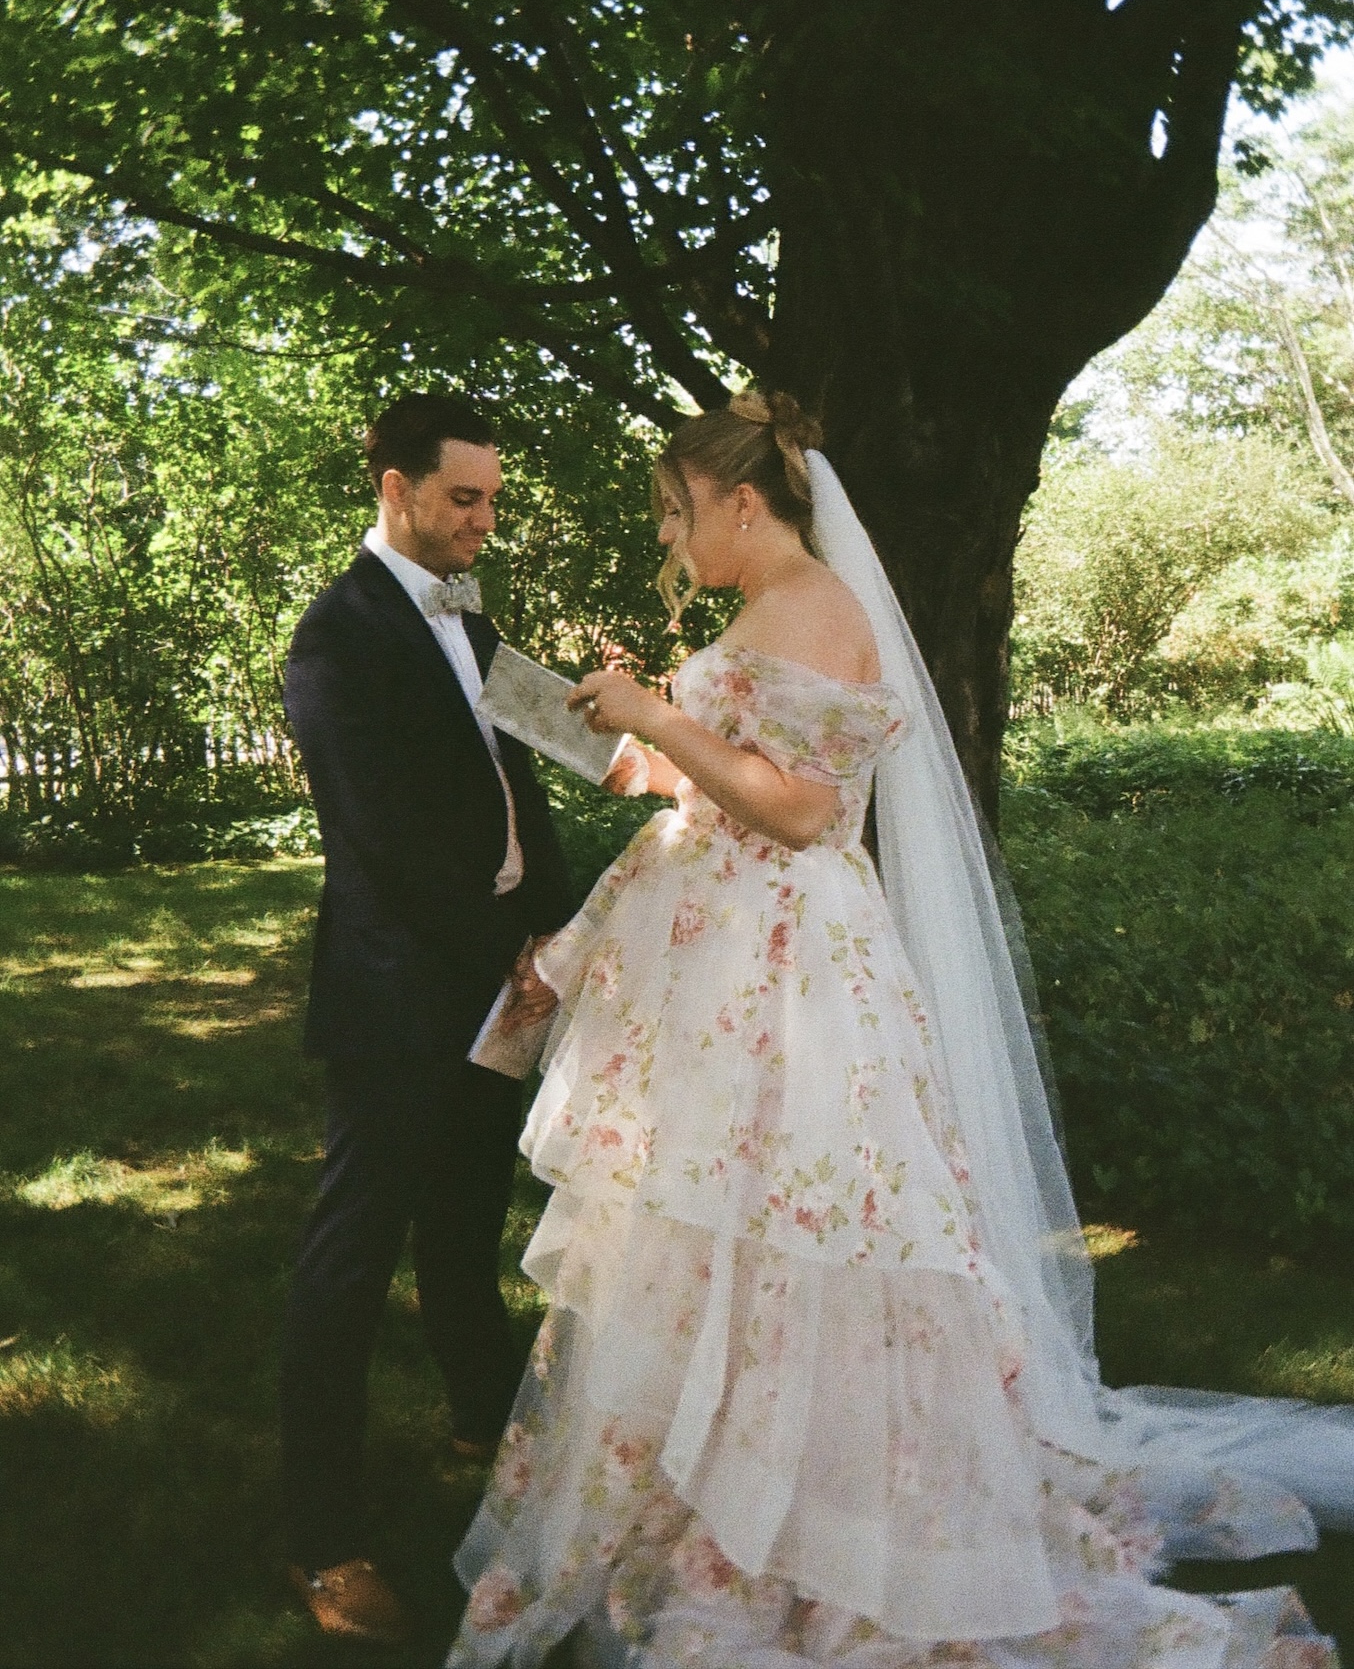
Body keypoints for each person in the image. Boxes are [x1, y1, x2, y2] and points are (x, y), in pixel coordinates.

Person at [447, 390, 1351, 1669]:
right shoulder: (767, 614)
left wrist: (662, 718)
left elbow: (808, 811)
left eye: (674, 511)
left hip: (789, 975)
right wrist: (637, 737)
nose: (669, 540)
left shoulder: (816, 605)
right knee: (713, 1226)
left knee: (797, 1218)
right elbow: (735, 763)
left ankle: (818, 1512)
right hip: (729, 965)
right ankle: (706, 1486)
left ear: (740, 500)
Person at [280, 394, 572, 1646]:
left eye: (494, 499)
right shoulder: (334, 643)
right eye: (465, 499)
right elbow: (384, 848)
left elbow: (526, 780)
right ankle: (321, 1540)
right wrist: (499, 952)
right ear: (394, 487)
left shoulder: (470, 615)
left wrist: (548, 932)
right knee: (349, 1260)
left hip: (495, 975)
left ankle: (484, 1424)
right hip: (400, 990)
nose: (484, 522)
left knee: (464, 1226)